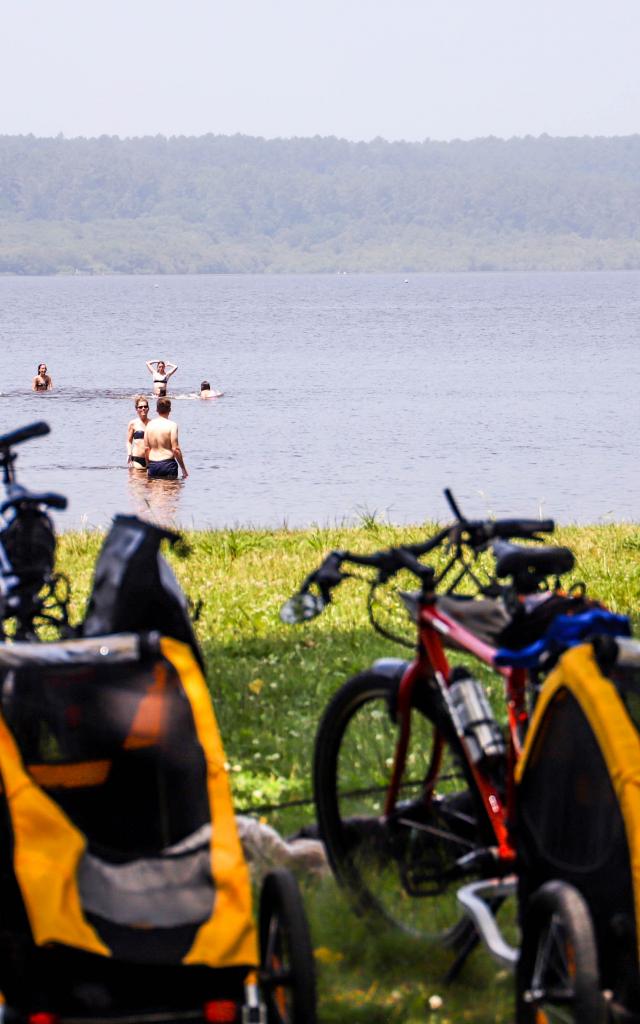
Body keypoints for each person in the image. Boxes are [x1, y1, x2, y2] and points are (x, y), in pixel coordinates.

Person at [144, 397, 188, 480]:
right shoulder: (172, 425)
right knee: (170, 491)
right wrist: (183, 468)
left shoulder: (149, 425)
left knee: (155, 492)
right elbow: (175, 449)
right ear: (170, 409)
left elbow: (146, 449)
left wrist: (148, 467)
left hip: (153, 465)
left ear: (157, 410)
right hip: (168, 464)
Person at [126, 396, 150, 471]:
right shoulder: (133, 423)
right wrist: (129, 454)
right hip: (137, 459)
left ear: (148, 408)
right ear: (136, 409)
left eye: (145, 406)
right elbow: (129, 441)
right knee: (137, 481)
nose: (143, 408)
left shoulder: (152, 423)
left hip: (151, 461)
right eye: (140, 407)